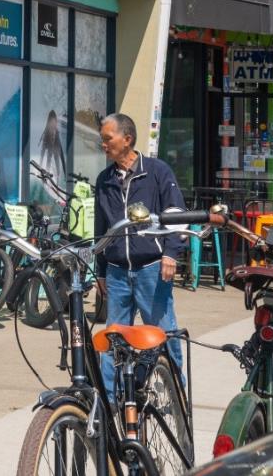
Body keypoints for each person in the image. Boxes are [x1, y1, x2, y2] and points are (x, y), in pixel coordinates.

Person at [93, 112, 186, 394]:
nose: (103, 144)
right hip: (118, 272)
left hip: (151, 270)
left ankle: (176, 396)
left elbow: (176, 215)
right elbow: (102, 229)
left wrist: (171, 253)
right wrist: (100, 271)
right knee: (113, 340)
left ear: (127, 139)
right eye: (102, 139)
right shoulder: (104, 179)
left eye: (108, 139)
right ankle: (110, 403)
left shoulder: (157, 172)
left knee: (164, 336)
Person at [32, 110, 66, 205]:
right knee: (51, 185)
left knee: (51, 185)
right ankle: (60, 200)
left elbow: (55, 152)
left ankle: (60, 199)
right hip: (49, 166)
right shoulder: (49, 132)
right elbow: (59, 153)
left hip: (49, 166)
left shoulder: (48, 132)